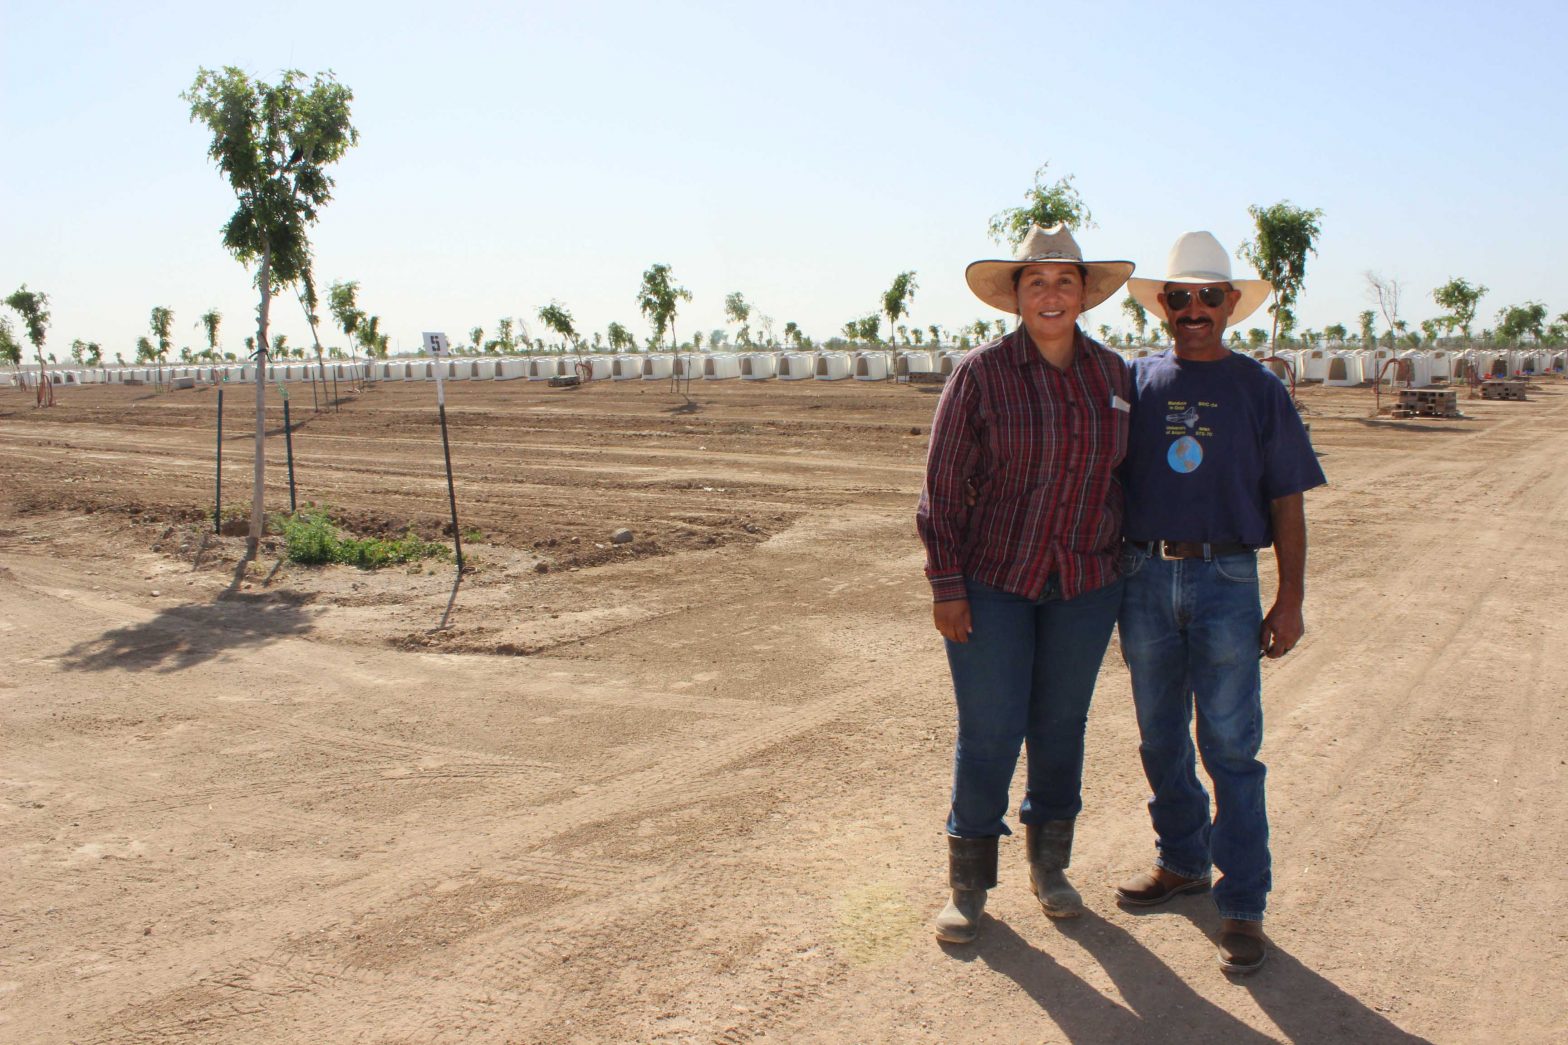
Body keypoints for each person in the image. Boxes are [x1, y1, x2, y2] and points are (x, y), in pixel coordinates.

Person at [1113, 231, 1326, 973]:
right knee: (1158, 733)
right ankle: (1182, 861)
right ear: (1162, 307)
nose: (1194, 309)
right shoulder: (1136, 382)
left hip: (1228, 579)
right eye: (1180, 297)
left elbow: (1288, 499)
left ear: (1231, 303)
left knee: (1232, 745)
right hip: (1143, 577)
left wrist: (1290, 596)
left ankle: (1243, 903)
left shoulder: (1260, 388)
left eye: (1209, 296)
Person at [916, 224, 1135, 944]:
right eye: (1036, 281)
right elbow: (942, 490)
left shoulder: (1113, 378)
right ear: (1016, 295)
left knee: (1060, 726)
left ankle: (1051, 866)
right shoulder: (980, 375)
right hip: (994, 583)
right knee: (989, 730)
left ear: (1084, 295)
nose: (1051, 294)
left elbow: (1128, 483)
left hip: (1085, 581)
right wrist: (948, 585)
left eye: (1064, 281)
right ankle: (969, 883)